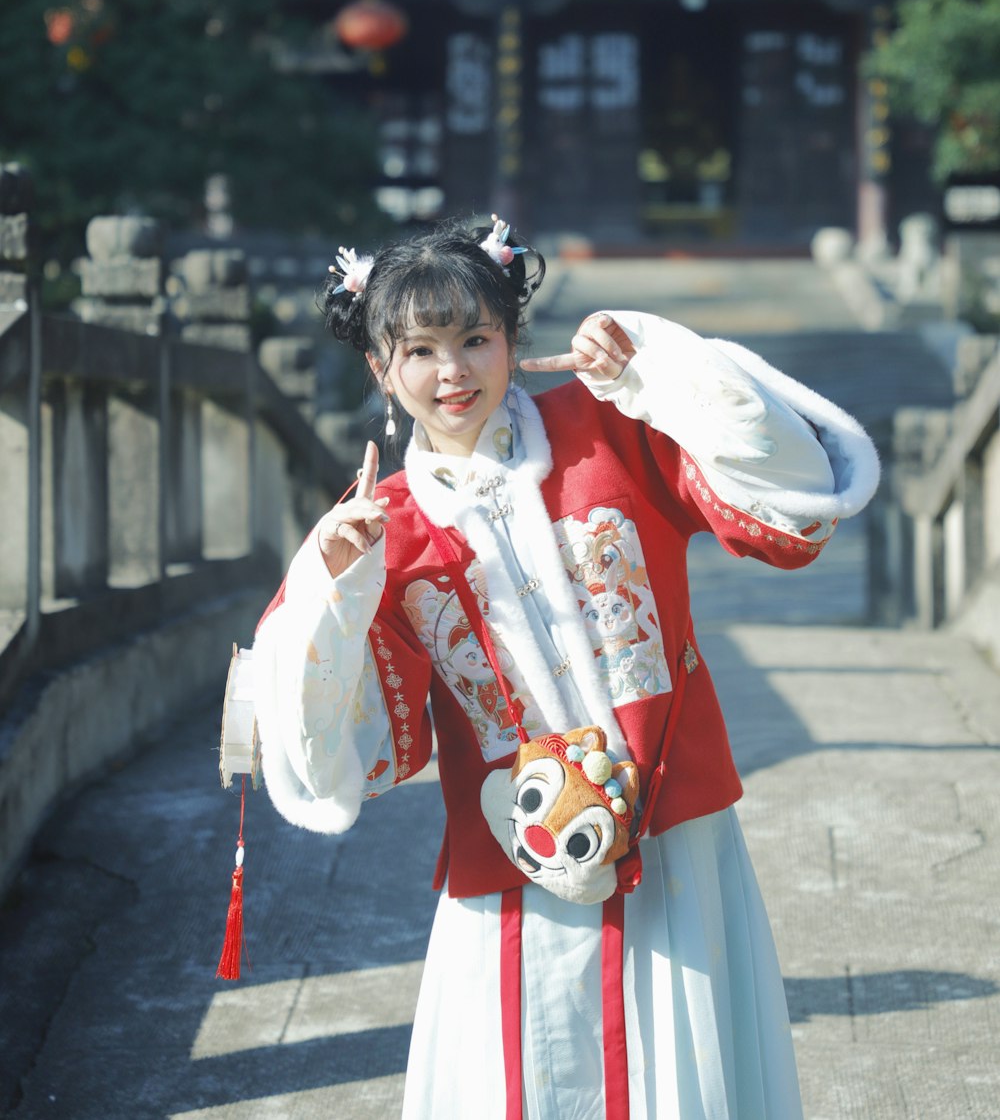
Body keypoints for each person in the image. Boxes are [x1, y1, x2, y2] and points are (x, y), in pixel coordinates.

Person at [247, 217, 879, 1120]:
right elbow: (339, 753)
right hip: (517, 848)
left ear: (513, 340)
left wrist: (656, 372)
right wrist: (336, 591)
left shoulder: (609, 426)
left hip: (671, 827)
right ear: (381, 371)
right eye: (419, 350)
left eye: (475, 339)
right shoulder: (382, 529)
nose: (453, 372)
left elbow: (791, 499)